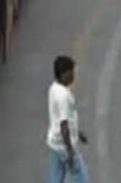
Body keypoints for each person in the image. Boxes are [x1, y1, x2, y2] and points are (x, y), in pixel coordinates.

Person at [47, 55, 89, 183]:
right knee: (80, 177)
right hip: (64, 144)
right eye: (71, 73)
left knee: (56, 177)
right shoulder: (63, 96)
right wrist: (70, 152)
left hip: (54, 142)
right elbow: (64, 125)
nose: (73, 76)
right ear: (64, 74)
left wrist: (77, 132)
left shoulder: (54, 88)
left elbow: (62, 117)